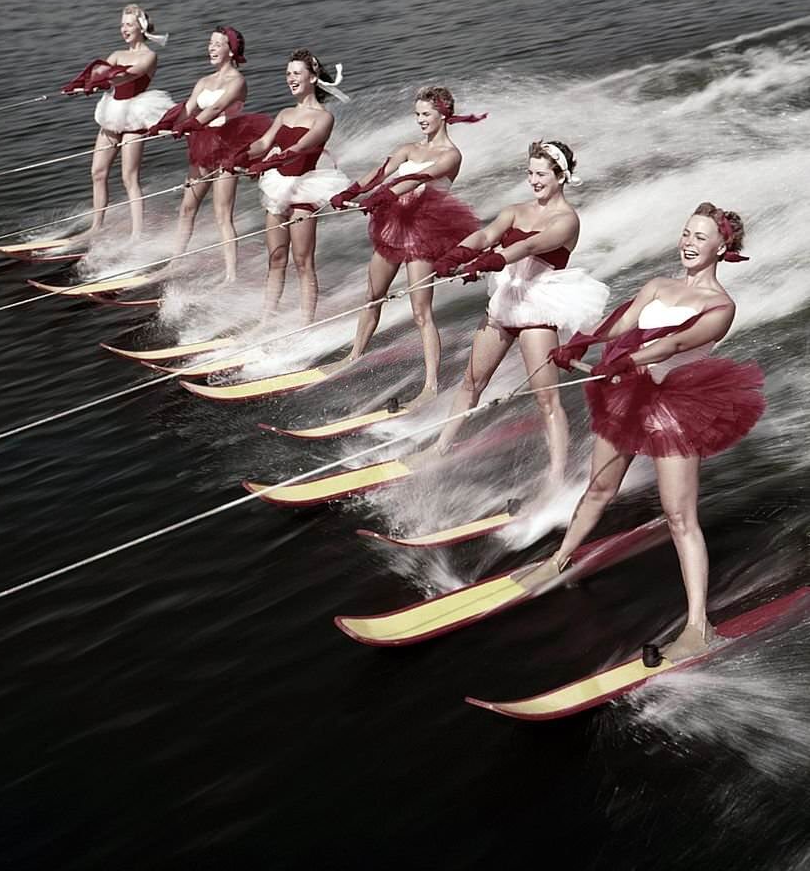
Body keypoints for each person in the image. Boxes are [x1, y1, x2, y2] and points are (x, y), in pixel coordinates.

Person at [516, 203, 765, 662]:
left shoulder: (720, 306)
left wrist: (629, 360)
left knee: (679, 517)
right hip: (629, 397)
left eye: (700, 236)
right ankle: (557, 560)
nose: (689, 242)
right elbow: (619, 326)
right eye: (686, 233)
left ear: (721, 246)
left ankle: (698, 626)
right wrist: (579, 346)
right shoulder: (657, 285)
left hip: (676, 405)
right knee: (598, 489)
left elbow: (674, 343)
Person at [418, 140, 608, 481]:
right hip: (506, 299)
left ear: (561, 176)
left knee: (546, 399)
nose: (533, 180)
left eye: (541, 174)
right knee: (471, 381)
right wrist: (456, 256)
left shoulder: (567, 220)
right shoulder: (515, 210)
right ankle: (440, 447)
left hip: (539, 306)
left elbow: (531, 245)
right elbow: (486, 235)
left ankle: (556, 477)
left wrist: (489, 261)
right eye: (530, 173)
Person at [327, 86, 482, 406]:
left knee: (420, 311)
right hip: (394, 225)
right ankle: (354, 355)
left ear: (443, 115)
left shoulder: (451, 155)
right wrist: (351, 192)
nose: (420, 120)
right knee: (372, 296)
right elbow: (380, 172)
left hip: (425, 229)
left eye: (426, 114)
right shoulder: (408, 148)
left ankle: (430, 386)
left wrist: (385, 194)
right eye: (417, 114)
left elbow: (421, 178)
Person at [235, 48, 349, 321]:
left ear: (313, 77)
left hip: (305, 190)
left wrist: (267, 163)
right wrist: (242, 154)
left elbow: (299, 148)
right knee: (275, 259)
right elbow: (264, 143)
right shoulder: (285, 113)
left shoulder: (324, 117)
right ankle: (266, 320)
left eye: (296, 73)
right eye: (288, 74)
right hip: (278, 188)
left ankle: (306, 323)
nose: (290, 78)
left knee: (302, 262)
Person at [152, 26, 270, 283]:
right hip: (203, 147)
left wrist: (192, 124)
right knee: (187, 208)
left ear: (230, 50)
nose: (211, 48)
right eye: (210, 44)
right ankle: (175, 262)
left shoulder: (237, 81)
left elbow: (217, 107)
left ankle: (231, 275)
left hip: (228, 147)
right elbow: (187, 110)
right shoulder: (203, 82)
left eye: (217, 44)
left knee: (221, 214)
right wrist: (167, 125)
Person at [61, 4, 173, 239]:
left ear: (140, 28)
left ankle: (137, 234)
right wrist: (80, 85)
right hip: (113, 113)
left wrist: (104, 78)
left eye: (129, 24)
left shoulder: (149, 56)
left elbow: (127, 75)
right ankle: (96, 227)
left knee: (128, 177)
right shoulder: (116, 54)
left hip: (135, 115)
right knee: (97, 172)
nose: (124, 29)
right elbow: (97, 71)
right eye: (122, 25)